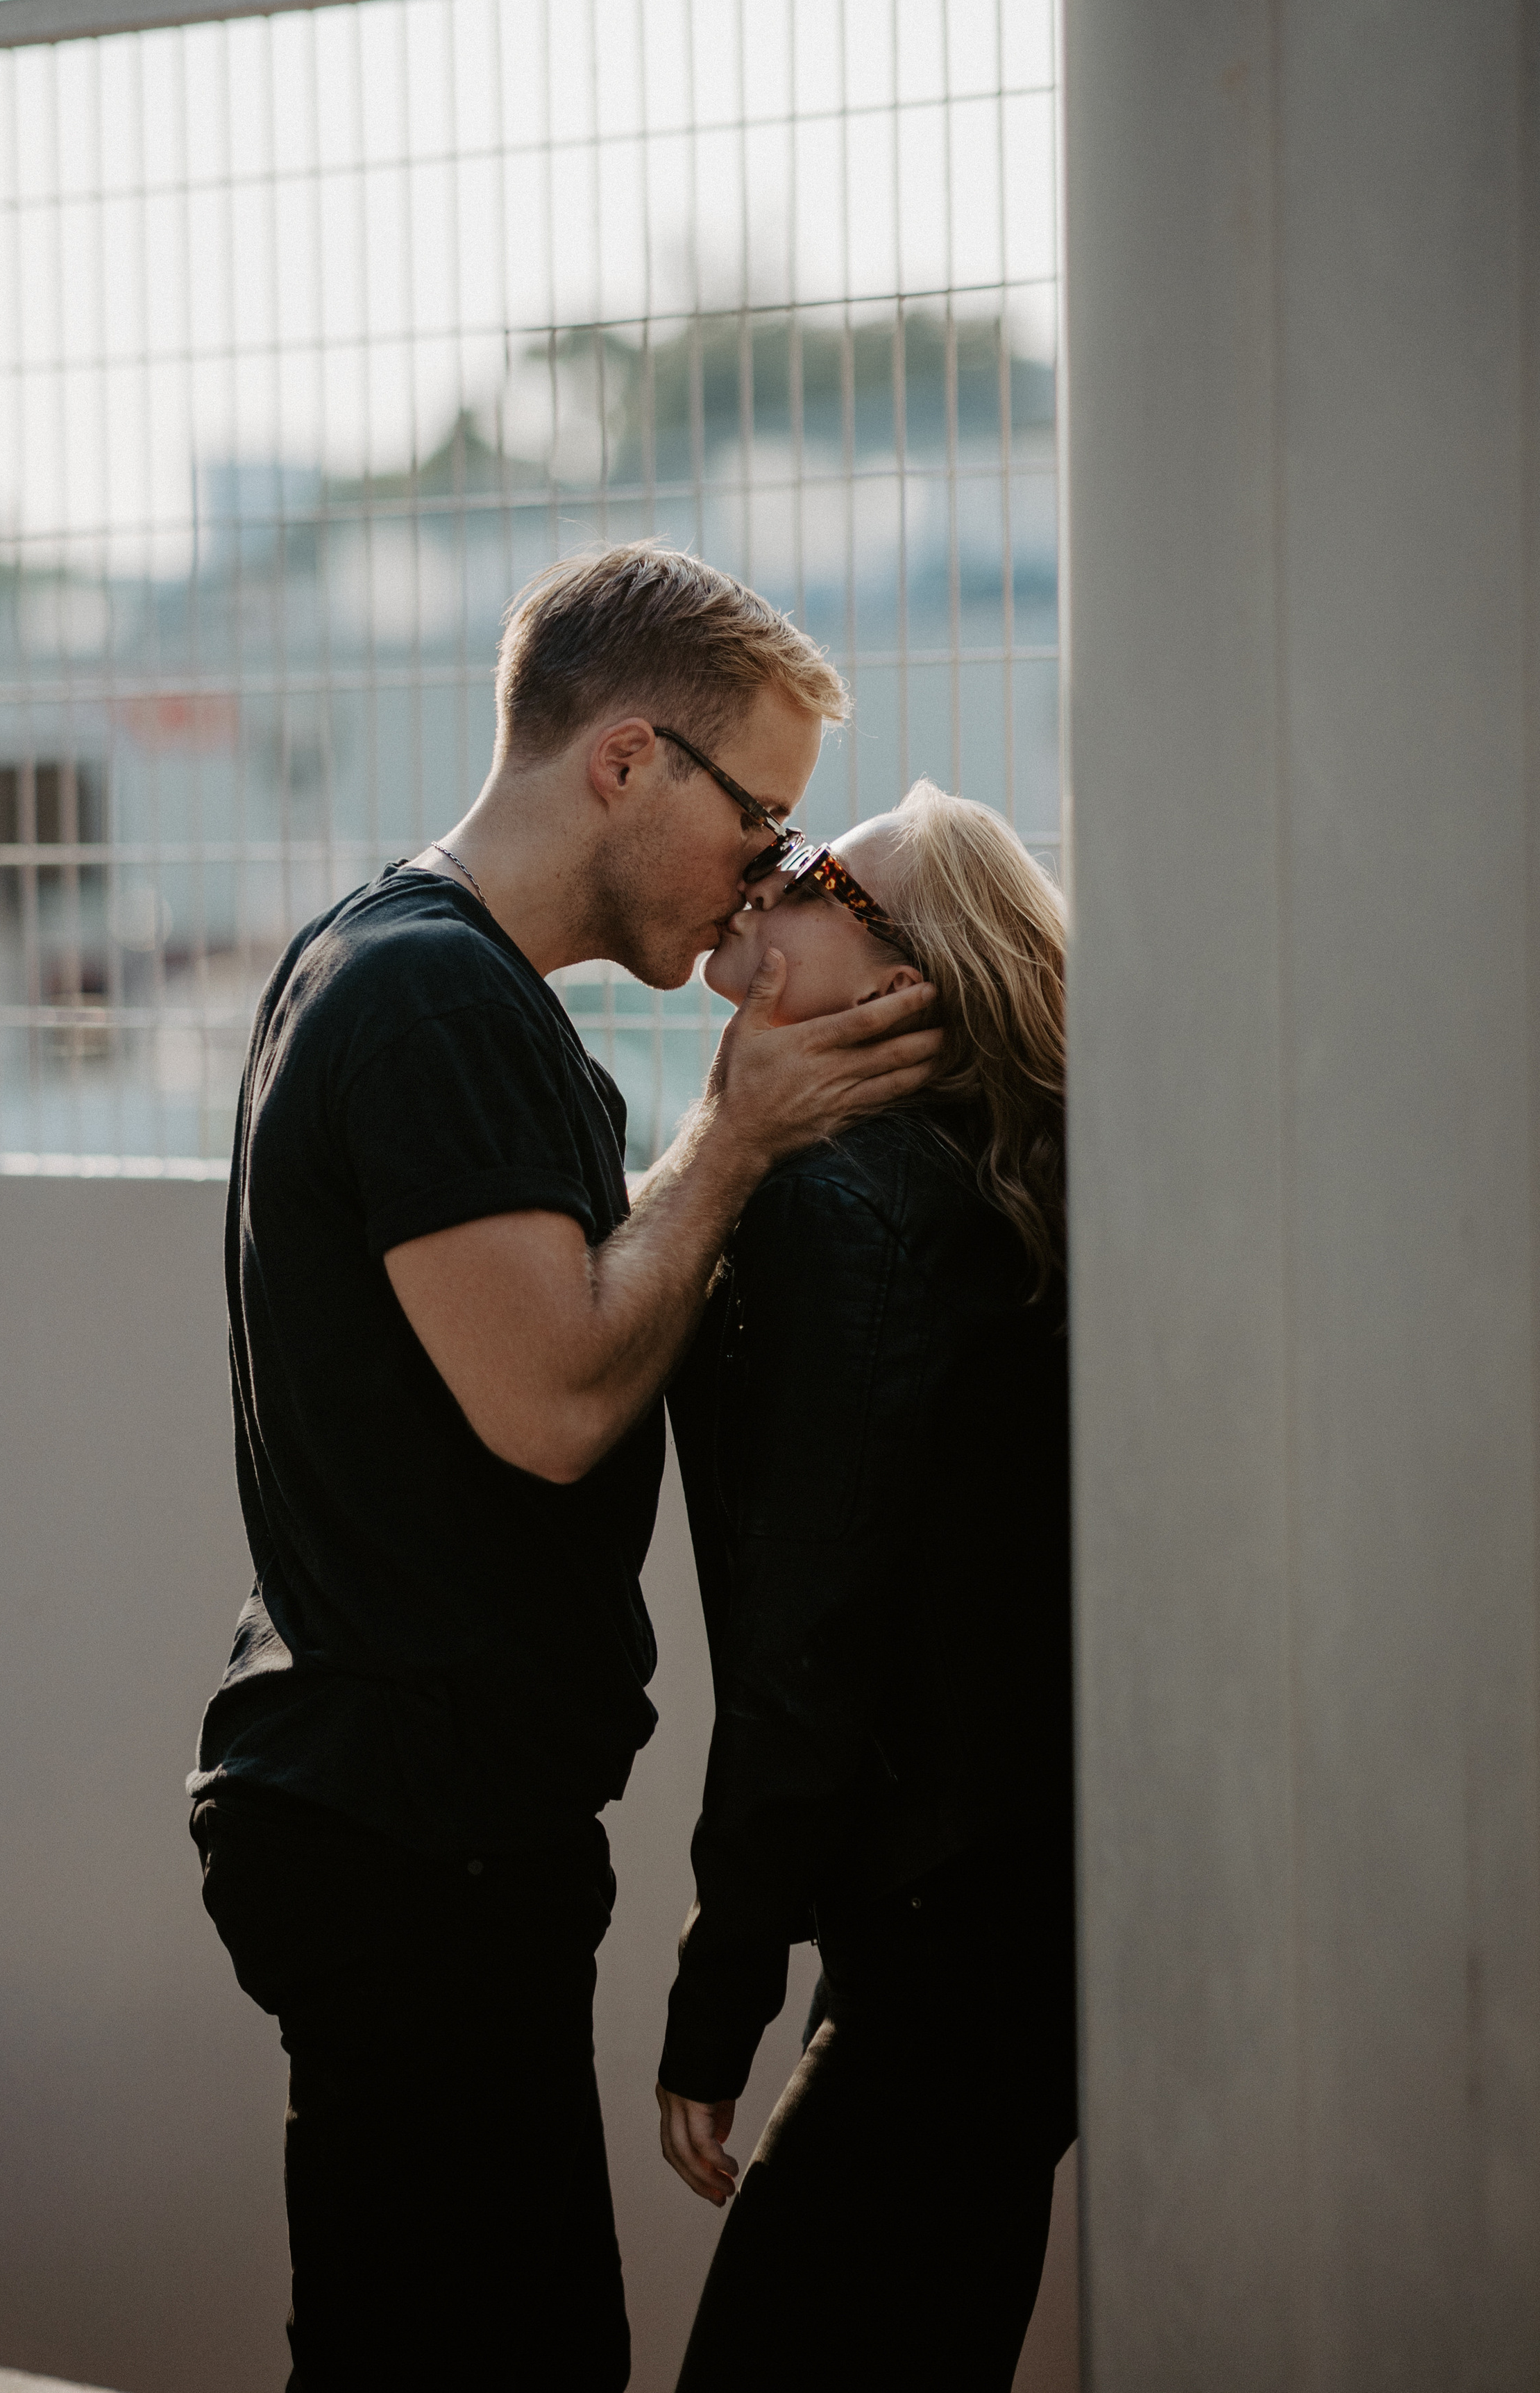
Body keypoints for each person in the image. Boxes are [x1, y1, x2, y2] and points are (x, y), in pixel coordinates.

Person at [185, 544, 941, 2392]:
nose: (762, 876)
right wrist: (736, 1136)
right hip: (410, 1847)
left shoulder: (393, 963)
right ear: (623, 760)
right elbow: (553, 1405)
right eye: (759, 821)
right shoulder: (433, 1005)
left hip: (415, 1833)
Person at [654, 779, 1074, 2392]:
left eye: (816, 871)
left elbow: (805, 1638)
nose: (768, 878)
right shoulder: (966, 1197)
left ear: (907, 982)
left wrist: (720, 1987)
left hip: (936, 1954)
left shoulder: (846, 1213)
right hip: (1004, 1939)